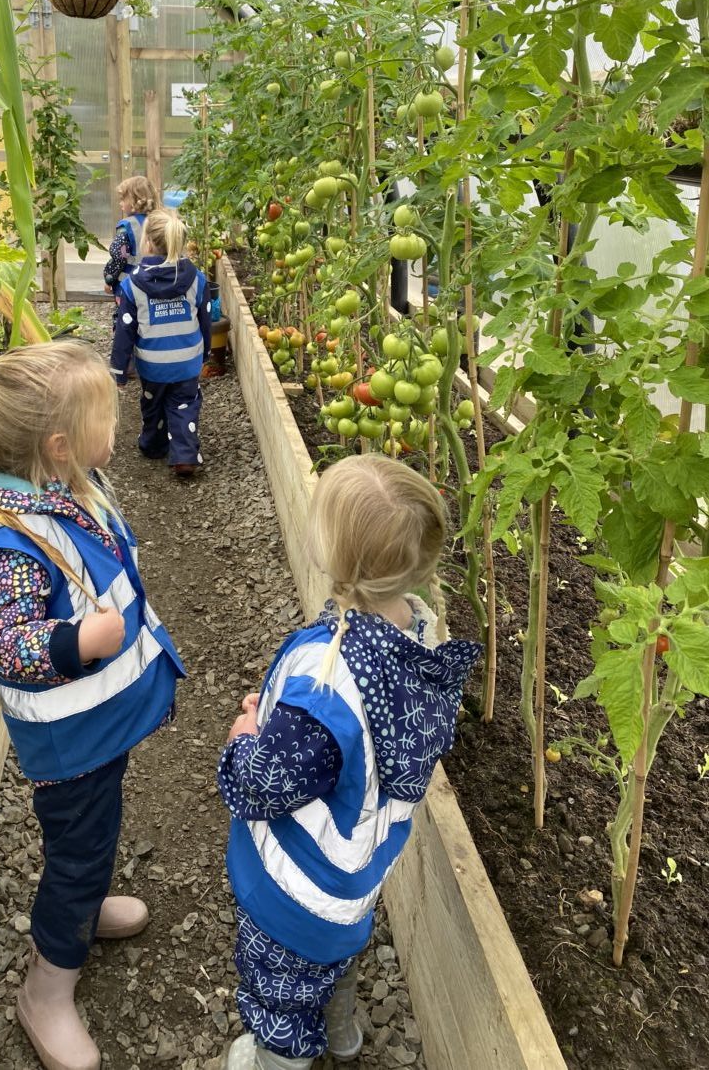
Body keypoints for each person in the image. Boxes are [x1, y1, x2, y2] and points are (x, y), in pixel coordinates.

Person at [0, 341, 185, 1070]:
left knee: (93, 836)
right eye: (108, 417)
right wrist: (76, 642)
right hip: (72, 745)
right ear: (60, 447)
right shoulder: (13, 546)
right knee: (79, 852)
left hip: (96, 731)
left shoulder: (59, 486)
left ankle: (85, 905)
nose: (119, 424)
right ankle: (46, 988)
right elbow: (4, 643)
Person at [217, 455, 482, 1070]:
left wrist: (246, 738)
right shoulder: (419, 641)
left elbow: (263, 785)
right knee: (332, 963)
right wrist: (286, 720)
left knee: (280, 994)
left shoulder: (327, 683)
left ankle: (278, 1059)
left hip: (295, 896)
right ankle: (341, 1033)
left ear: (334, 556)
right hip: (354, 880)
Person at [110, 206, 212, 478]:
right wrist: (205, 353)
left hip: (152, 363)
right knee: (184, 404)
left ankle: (153, 444)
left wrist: (119, 371)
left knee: (152, 402)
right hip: (187, 360)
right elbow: (205, 319)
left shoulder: (132, 285)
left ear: (147, 242)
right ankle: (185, 454)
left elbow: (125, 330)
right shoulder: (196, 278)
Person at [103, 175, 158, 297]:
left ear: (135, 200)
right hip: (156, 281)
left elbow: (119, 257)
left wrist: (109, 278)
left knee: (126, 309)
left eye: (123, 199)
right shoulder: (160, 221)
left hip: (130, 285)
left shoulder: (127, 226)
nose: (120, 203)